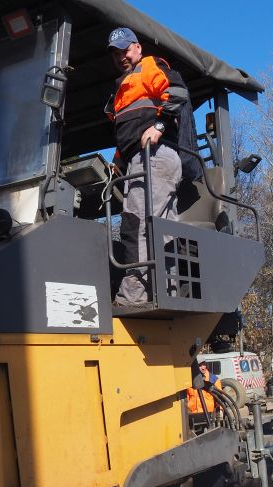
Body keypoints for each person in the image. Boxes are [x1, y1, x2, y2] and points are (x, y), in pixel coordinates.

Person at [105, 27, 189, 305]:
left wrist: (160, 125)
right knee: (150, 225)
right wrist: (118, 160)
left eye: (125, 50)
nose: (121, 57)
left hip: (155, 154)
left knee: (138, 224)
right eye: (116, 53)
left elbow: (177, 92)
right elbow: (128, 133)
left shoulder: (150, 67)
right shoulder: (122, 89)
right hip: (137, 160)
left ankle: (135, 295)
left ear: (137, 48)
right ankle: (166, 290)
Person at [186, 362, 222, 428]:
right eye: (200, 365)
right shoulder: (188, 381)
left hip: (209, 416)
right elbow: (187, 398)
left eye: (204, 365)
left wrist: (220, 412)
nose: (203, 367)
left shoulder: (213, 380)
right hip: (193, 415)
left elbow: (219, 399)